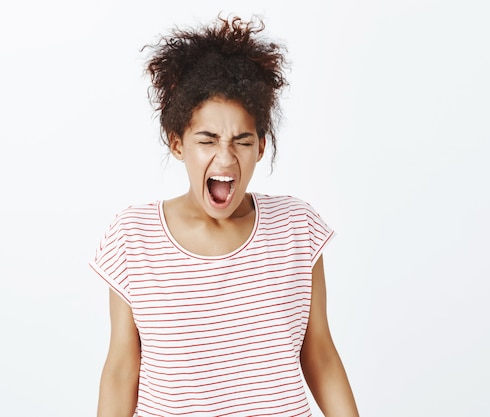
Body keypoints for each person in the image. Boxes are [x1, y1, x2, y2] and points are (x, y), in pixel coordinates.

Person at [90, 14, 359, 417]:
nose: (225, 157)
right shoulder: (133, 237)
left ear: (262, 147)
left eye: (242, 140)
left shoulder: (296, 228)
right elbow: (121, 369)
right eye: (207, 139)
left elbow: (319, 352)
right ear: (178, 143)